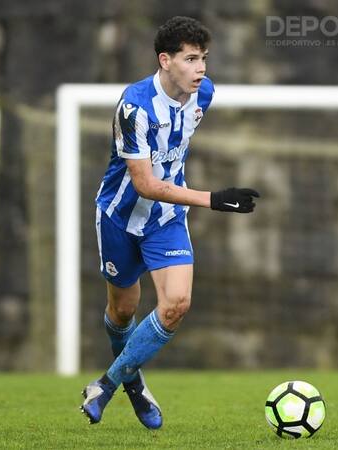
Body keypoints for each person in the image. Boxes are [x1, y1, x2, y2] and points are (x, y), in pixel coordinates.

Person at [80, 16, 260, 429]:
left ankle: (107, 385)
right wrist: (213, 199)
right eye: (191, 59)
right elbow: (144, 184)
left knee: (176, 304)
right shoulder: (134, 107)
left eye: (204, 59)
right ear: (165, 60)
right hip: (119, 219)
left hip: (166, 220)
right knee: (122, 312)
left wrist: (193, 199)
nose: (201, 69)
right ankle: (134, 383)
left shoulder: (204, 94)